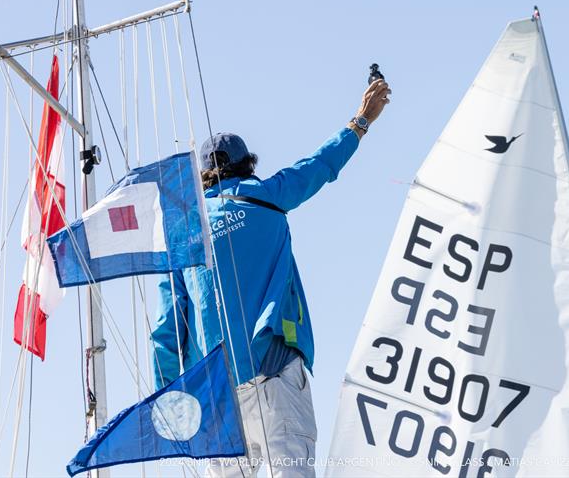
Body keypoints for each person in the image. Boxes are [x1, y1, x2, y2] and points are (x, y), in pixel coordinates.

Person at [150, 78, 392, 477]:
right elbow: (318, 167)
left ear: (204, 177)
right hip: (275, 369)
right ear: (248, 165)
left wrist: (172, 401)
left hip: (217, 394)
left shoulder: (183, 236)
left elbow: (166, 329)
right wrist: (361, 121)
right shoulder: (266, 196)